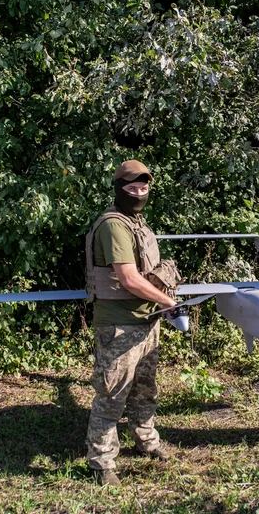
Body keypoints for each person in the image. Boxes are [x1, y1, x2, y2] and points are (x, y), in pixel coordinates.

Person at [84, 159, 180, 486]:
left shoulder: (136, 221)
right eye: (132, 188)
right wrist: (168, 301)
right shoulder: (114, 224)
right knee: (112, 395)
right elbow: (128, 278)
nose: (139, 193)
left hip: (146, 320)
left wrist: (159, 303)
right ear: (118, 189)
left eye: (144, 187)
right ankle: (102, 462)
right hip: (119, 325)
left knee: (144, 390)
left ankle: (146, 440)